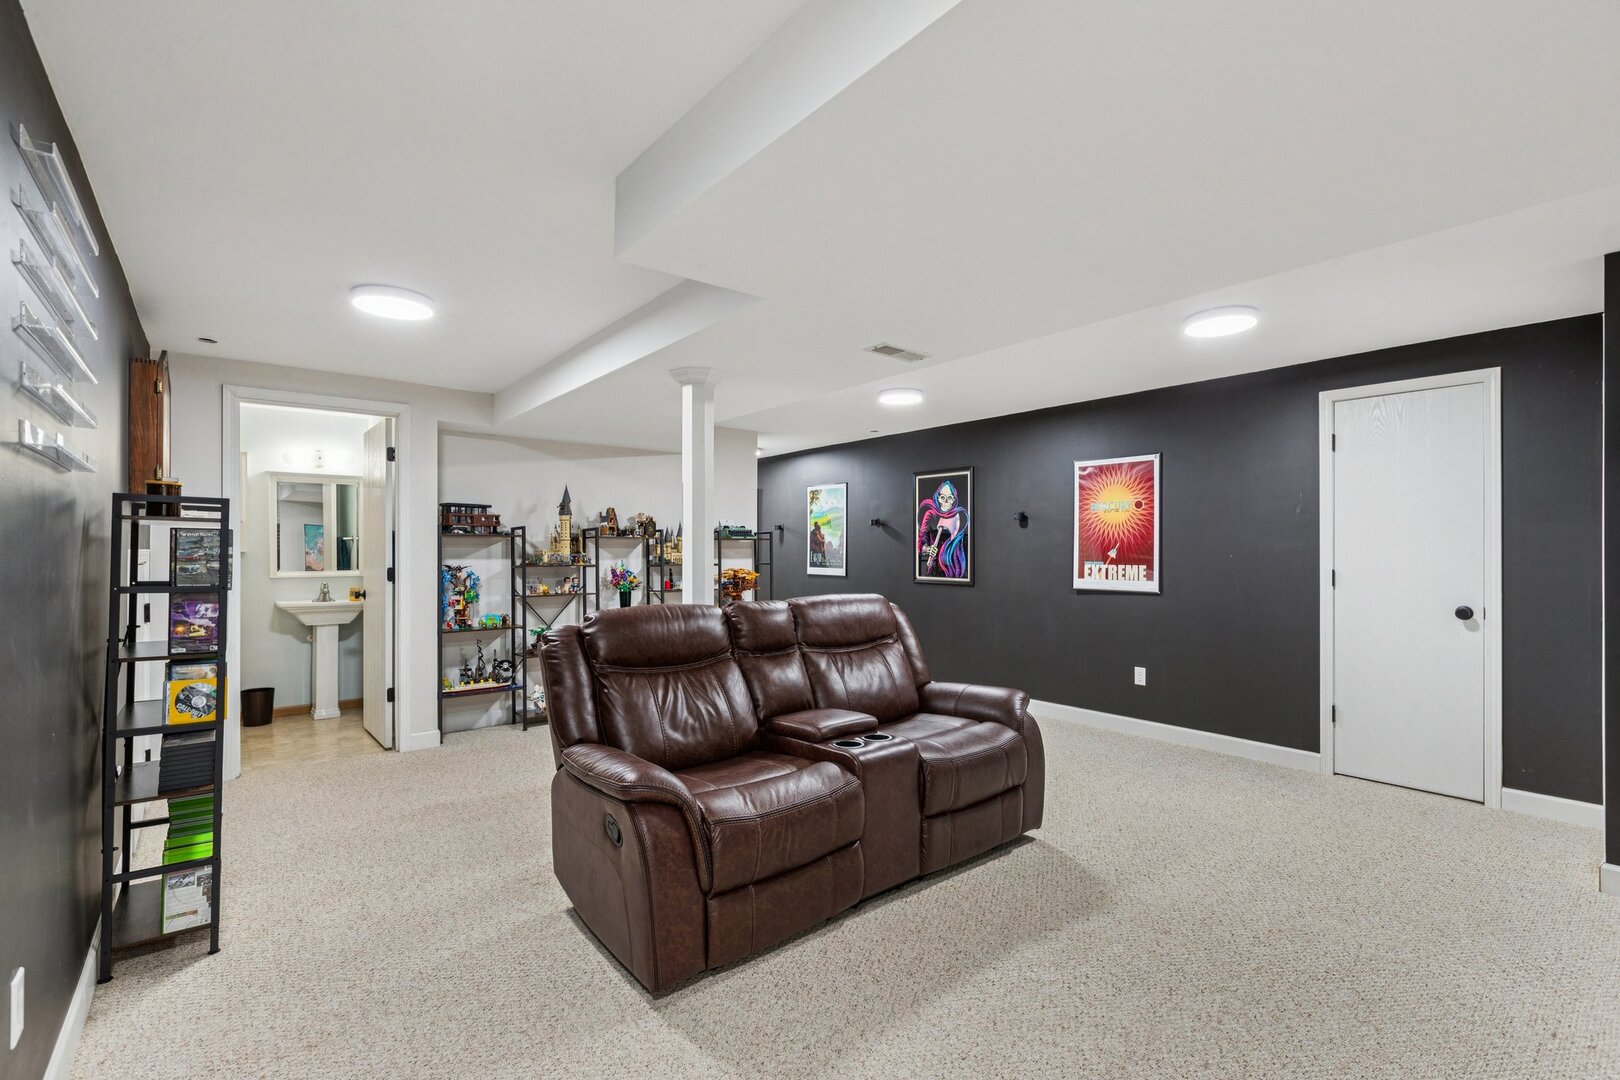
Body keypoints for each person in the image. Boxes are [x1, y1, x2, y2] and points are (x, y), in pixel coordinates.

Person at [917, 479, 969, 578]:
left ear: (954, 499)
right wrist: (928, 549)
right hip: (934, 568)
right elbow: (921, 541)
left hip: (955, 566)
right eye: (942, 497)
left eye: (949, 497)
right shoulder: (931, 514)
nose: (946, 501)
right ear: (938, 498)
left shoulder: (960, 516)